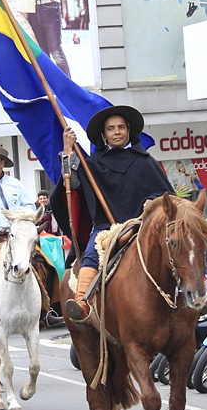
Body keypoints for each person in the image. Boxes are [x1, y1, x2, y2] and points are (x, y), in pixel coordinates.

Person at [56, 106, 175, 327]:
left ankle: (194, 295)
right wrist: (68, 151)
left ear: (128, 131)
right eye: (111, 128)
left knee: (177, 248)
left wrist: (153, 202)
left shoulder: (145, 161)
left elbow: (166, 195)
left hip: (142, 224)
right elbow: (71, 184)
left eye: (121, 127)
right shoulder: (92, 165)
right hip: (106, 227)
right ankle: (82, 302)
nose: (116, 132)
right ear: (104, 135)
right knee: (92, 253)